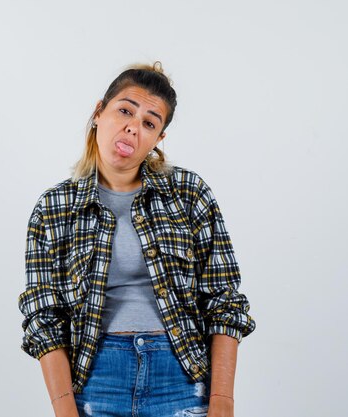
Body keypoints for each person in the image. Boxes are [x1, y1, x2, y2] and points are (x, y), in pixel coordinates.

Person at [17, 61, 256, 417]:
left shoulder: (189, 193)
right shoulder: (54, 207)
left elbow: (224, 301)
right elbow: (42, 316)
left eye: (149, 122)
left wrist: (222, 402)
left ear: (158, 139)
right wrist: (64, 408)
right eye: (125, 110)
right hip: (96, 379)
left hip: (179, 376)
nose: (133, 128)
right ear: (99, 112)